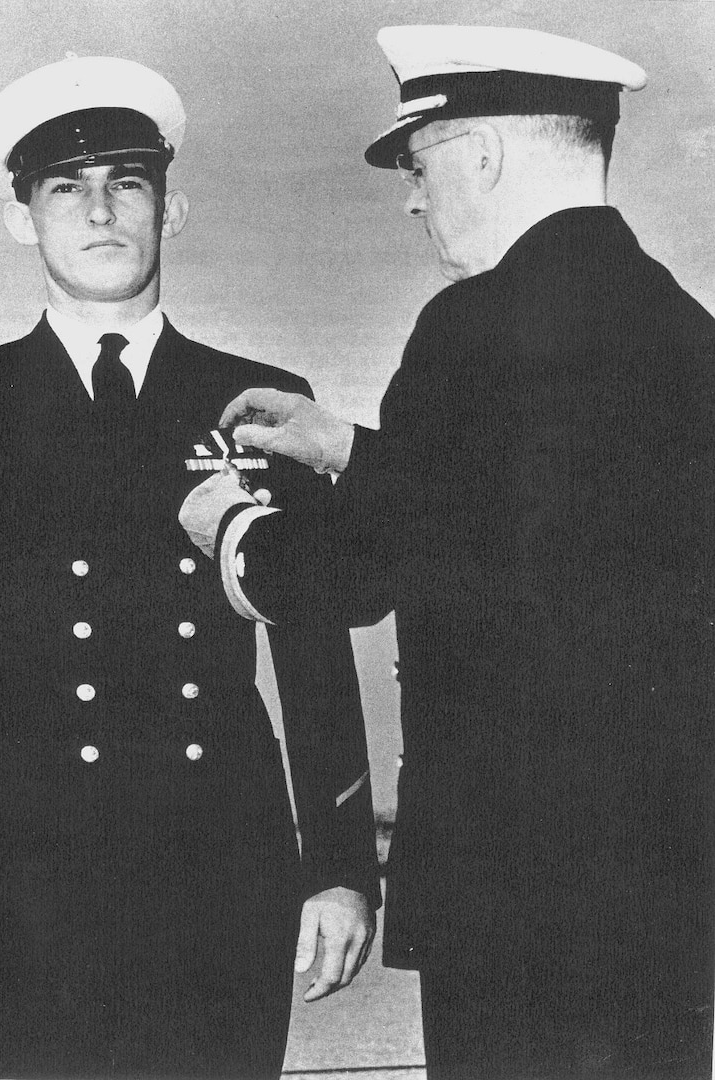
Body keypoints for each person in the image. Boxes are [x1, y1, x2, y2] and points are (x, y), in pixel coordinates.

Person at [180, 24, 715, 1080]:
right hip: (660, 887)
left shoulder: (470, 326)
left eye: (419, 168)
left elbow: (357, 573)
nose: (416, 200)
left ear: (483, 154)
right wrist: (344, 445)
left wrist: (228, 527)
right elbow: (528, 517)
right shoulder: (679, 331)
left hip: (512, 894)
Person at [0, 55, 379, 1080]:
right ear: (23, 218)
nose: (100, 209)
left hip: (216, 869)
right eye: (66, 188)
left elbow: (313, 652)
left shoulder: (261, 404)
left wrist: (342, 869)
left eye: (127, 182)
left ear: (170, 212)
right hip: (9, 875)